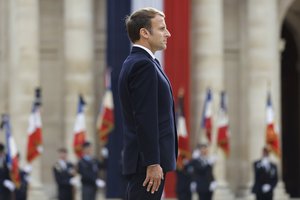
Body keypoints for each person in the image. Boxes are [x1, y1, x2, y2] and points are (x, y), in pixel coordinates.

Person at [118, 7, 178, 200]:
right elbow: (145, 117)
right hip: (146, 165)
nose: (168, 33)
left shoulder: (142, 62)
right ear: (144, 33)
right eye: (162, 28)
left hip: (146, 161)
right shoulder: (143, 65)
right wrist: (152, 162)